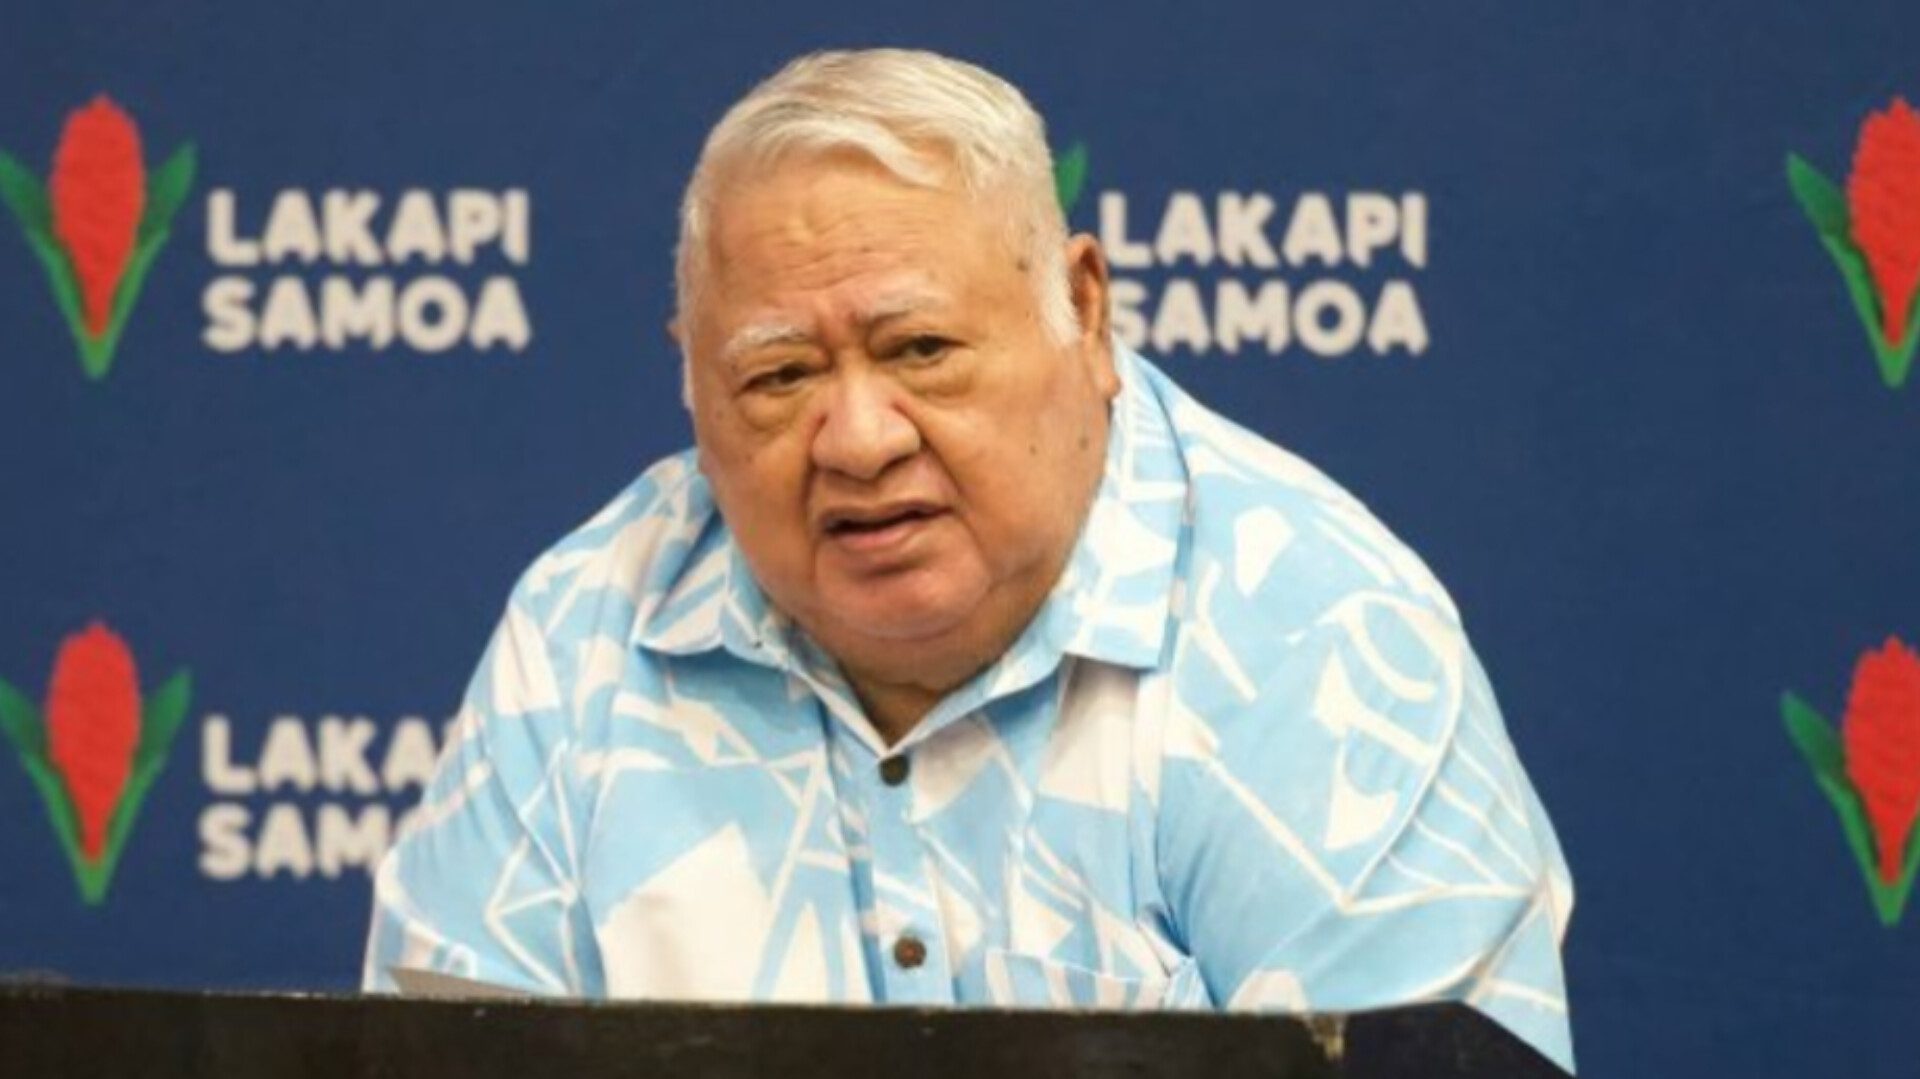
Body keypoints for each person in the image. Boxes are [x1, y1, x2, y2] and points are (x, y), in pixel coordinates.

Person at [363, 47, 1575, 1071]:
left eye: (922, 349)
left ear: (1085, 313)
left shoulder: (1314, 635)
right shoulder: (581, 633)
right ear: (689, 380)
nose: (859, 438)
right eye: (778, 376)